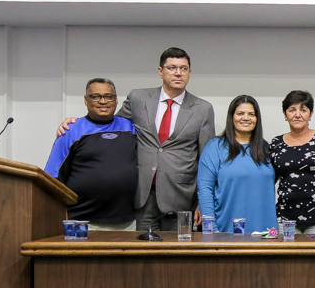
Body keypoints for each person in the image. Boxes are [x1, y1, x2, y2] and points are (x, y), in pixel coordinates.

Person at [56, 47, 215, 231]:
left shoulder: (203, 109)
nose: (178, 73)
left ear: (189, 72)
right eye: (172, 68)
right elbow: (111, 124)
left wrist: (203, 202)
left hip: (182, 197)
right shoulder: (139, 98)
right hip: (142, 195)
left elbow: (206, 160)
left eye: (183, 68)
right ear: (160, 71)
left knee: (176, 255)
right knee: (143, 254)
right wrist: (76, 123)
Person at [45, 78, 139, 231]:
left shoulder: (130, 127)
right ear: (86, 100)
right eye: (95, 96)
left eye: (108, 97)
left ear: (116, 100)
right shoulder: (70, 131)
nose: (103, 101)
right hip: (80, 222)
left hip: (126, 222)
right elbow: (52, 178)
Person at [197, 95, 277, 233]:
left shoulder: (266, 148)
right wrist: (210, 229)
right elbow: (205, 190)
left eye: (251, 114)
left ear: (257, 119)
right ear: (231, 117)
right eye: (240, 113)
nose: (246, 118)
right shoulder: (215, 147)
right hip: (225, 232)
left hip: (266, 233)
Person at [270, 90, 315, 235]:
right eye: (292, 110)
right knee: (286, 258)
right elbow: (269, 179)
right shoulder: (276, 143)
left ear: (310, 114)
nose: (297, 115)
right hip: (285, 218)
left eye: (303, 110)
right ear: (285, 114)